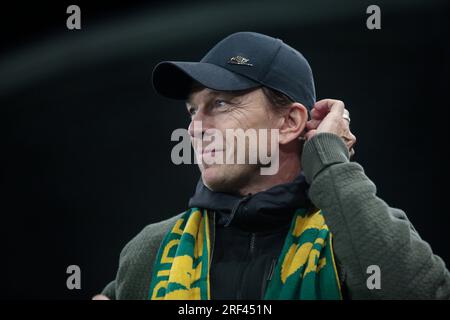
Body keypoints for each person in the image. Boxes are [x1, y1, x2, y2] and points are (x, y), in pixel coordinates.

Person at [94, 32, 450, 300]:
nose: (194, 128)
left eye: (220, 103)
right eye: (192, 110)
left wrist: (328, 157)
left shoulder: (354, 237)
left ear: (289, 123)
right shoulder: (151, 251)